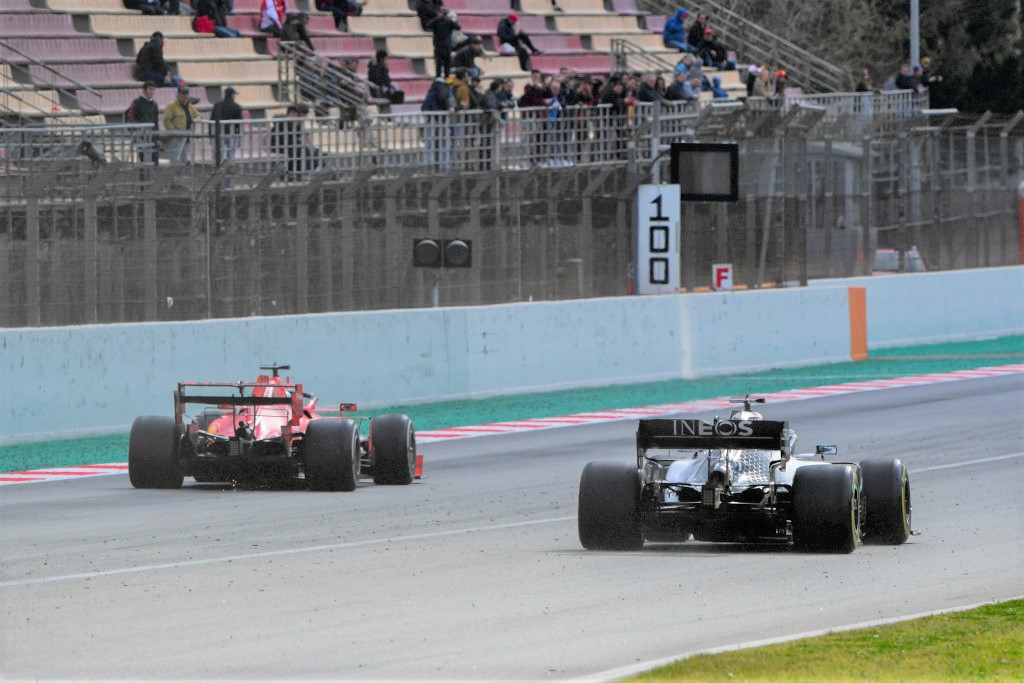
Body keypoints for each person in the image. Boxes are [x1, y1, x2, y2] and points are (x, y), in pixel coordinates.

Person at [270, 104, 321, 175]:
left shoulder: (296, 125)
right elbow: (286, 141)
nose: (301, 120)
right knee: (303, 150)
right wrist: (301, 141)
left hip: (291, 147)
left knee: (316, 151)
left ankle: (319, 171)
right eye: (300, 117)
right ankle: (307, 172)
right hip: (281, 148)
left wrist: (306, 142)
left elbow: (297, 139)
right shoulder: (283, 124)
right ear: (293, 114)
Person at [125, 80, 160, 163]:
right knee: (143, 157)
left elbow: (156, 122)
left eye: (153, 90)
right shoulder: (137, 103)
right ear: (144, 90)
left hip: (152, 135)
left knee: (155, 158)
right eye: (150, 89)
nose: (152, 92)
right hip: (140, 135)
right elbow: (130, 117)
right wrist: (137, 129)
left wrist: (157, 138)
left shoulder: (155, 105)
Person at [163, 85, 200, 164]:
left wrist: (198, 118)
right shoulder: (171, 106)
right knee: (175, 159)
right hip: (176, 138)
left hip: (187, 137)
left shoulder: (189, 106)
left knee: (184, 159)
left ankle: (183, 171)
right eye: (183, 94)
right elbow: (167, 121)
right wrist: (175, 132)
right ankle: (175, 172)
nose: (185, 96)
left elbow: (197, 114)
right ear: (178, 94)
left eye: (186, 94)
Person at [211, 86, 243, 164]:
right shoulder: (236, 106)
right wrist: (238, 135)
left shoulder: (217, 105)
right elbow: (239, 123)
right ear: (232, 95)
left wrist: (210, 134)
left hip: (219, 133)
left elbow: (212, 119)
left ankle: (219, 167)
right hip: (231, 133)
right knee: (230, 156)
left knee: (219, 155)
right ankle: (229, 167)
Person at [427, 7, 460, 78]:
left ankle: (446, 79)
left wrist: (449, 19)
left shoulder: (449, 22)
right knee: (438, 65)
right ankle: (438, 79)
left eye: (445, 13)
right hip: (438, 46)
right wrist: (438, 18)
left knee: (447, 65)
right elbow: (429, 26)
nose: (444, 14)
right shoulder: (436, 21)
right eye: (442, 12)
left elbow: (458, 27)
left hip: (447, 47)